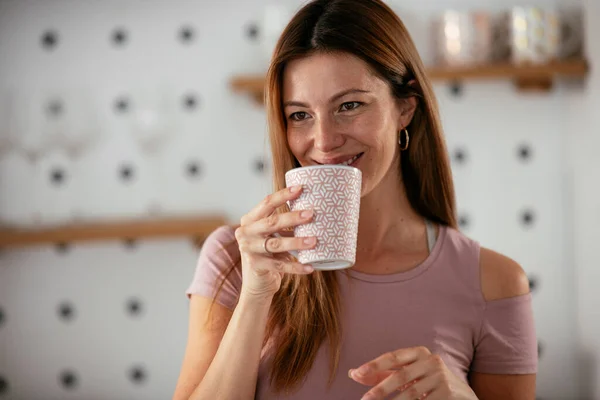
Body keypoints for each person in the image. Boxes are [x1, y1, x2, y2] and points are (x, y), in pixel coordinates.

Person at [173, 0, 537, 399]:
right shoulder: (235, 259)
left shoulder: (494, 282)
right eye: (299, 115)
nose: (324, 140)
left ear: (405, 107)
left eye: (349, 106)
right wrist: (256, 296)